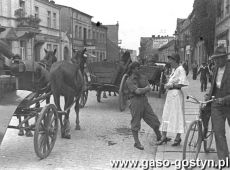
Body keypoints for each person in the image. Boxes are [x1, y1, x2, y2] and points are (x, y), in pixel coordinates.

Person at [126, 61, 162, 150]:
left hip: (144, 101)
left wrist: (144, 89)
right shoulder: (129, 80)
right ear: (133, 69)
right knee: (136, 123)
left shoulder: (143, 77)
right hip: (135, 101)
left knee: (154, 119)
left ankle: (159, 137)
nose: (139, 70)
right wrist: (145, 89)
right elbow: (137, 91)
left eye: (139, 68)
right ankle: (137, 143)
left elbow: (149, 88)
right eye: (137, 68)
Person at [157, 54, 189, 146]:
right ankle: (163, 136)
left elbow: (183, 83)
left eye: (171, 60)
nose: (169, 62)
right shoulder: (174, 70)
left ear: (175, 60)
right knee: (166, 114)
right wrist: (167, 84)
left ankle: (178, 138)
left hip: (176, 95)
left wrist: (172, 85)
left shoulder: (181, 69)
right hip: (170, 95)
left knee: (177, 115)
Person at [205, 46, 230, 164]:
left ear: (225, 58)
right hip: (217, 105)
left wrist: (225, 99)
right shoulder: (215, 68)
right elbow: (214, 86)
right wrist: (208, 95)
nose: (217, 61)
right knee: (219, 132)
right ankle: (223, 159)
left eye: (219, 59)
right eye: (215, 59)